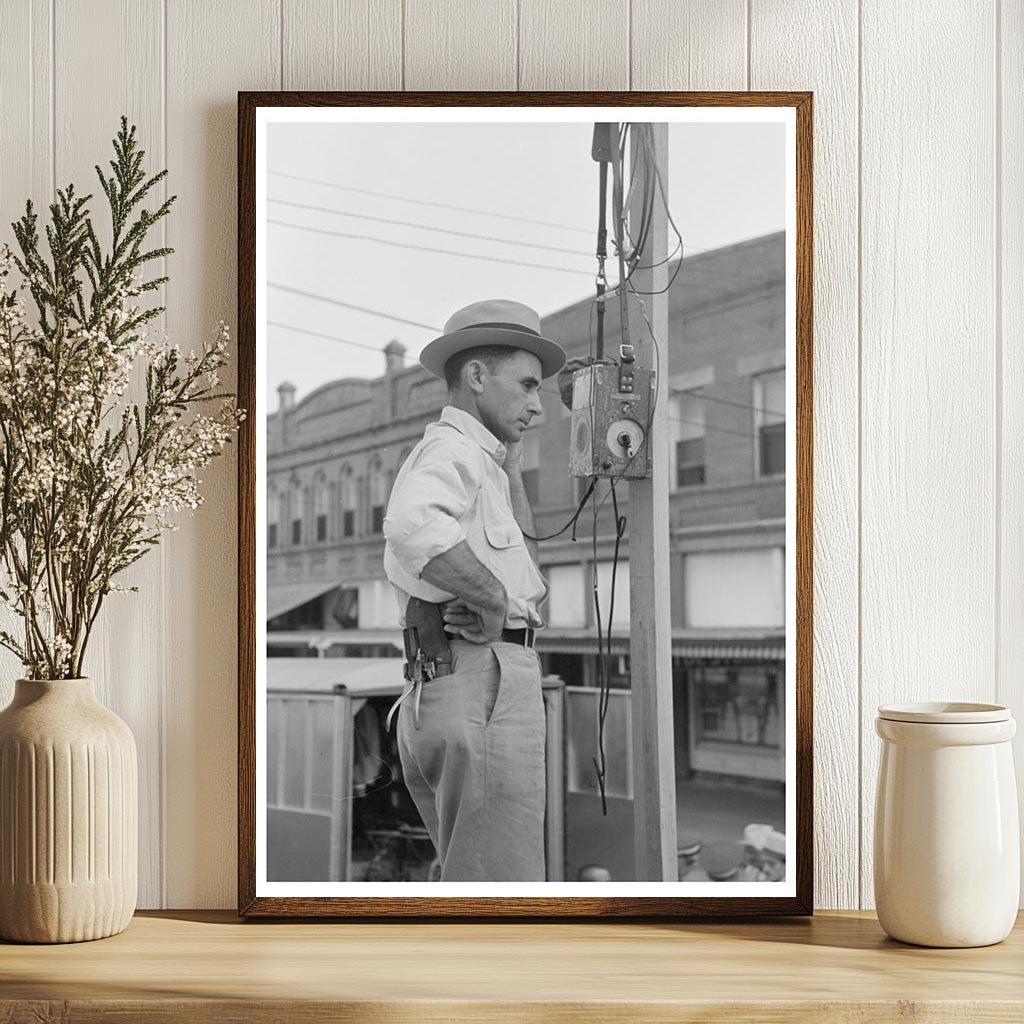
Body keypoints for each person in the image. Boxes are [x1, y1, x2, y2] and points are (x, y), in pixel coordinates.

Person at [382, 298, 567, 882]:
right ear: (478, 376)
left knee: (474, 876)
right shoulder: (454, 448)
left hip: (460, 679)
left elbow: (528, 589)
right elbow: (413, 524)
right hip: (479, 678)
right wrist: (489, 601)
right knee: (501, 888)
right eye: (528, 385)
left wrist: (512, 472)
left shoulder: (481, 461)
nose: (538, 405)